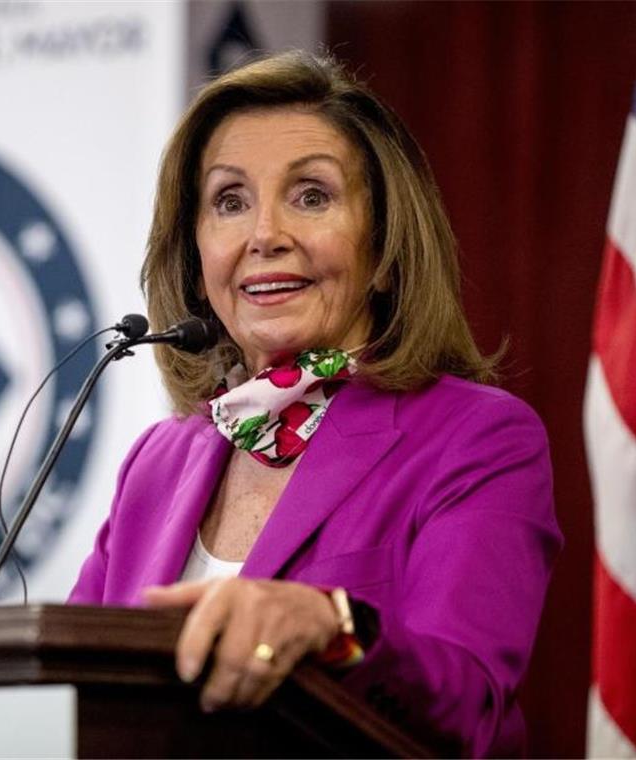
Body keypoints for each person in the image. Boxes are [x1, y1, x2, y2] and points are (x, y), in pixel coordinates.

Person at [66, 50, 561, 757]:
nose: (265, 235)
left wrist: (333, 625)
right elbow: (70, 685)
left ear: (385, 247)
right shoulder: (159, 460)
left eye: (312, 196)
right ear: (197, 261)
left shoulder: (477, 438)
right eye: (229, 202)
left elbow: (469, 708)